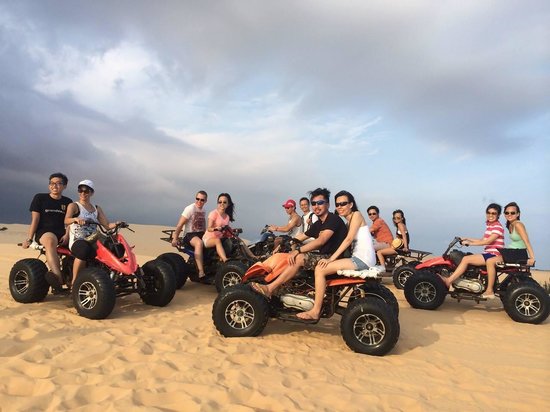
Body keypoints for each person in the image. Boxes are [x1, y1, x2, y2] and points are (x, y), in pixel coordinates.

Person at [250, 188, 347, 298]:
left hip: (333, 258)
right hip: (325, 256)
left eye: (320, 203)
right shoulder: (319, 223)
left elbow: (321, 241)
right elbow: (303, 235)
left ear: (328, 204)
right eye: (314, 203)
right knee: (289, 257)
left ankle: (270, 288)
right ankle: (284, 291)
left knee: (299, 258)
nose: (316, 206)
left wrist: (297, 250)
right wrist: (289, 241)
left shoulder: (333, 219)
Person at [297, 191, 376, 322]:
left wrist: (331, 259)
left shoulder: (356, 215)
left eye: (343, 203)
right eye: (338, 204)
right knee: (324, 266)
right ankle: (327, 297)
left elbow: (349, 239)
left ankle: (315, 311)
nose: (339, 207)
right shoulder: (348, 222)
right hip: (361, 257)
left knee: (320, 269)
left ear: (351, 204)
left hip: (362, 259)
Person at [23, 172, 72, 292]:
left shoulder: (68, 202)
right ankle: (58, 279)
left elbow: (70, 222)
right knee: (51, 241)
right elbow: (35, 219)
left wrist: (67, 234)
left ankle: (74, 278)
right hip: (45, 232)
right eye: (52, 183)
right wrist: (29, 239)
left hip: (63, 233)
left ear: (65, 186)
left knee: (82, 245)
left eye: (59, 183)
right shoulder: (40, 198)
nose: (55, 186)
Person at [441, 203, 505, 295]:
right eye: (489, 213)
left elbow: (487, 242)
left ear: (498, 215)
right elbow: (482, 240)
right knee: (467, 258)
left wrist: (470, 243)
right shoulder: (490, 226)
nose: (490, 215)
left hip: (493, 254)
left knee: (466, 259)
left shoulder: (497, 227)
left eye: (494, 213)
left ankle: (449, 281)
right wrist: (467, 238)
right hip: (488, 253)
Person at [64, 180, 118, 286]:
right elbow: (66, 220)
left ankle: (111, 277)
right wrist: (75, 219)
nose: (83, 193)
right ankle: (75, 281)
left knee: (113, 246)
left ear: (91, 193)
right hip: (78, 239)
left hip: (94, 239)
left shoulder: (96, 208)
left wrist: (117, 224)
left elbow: (106, 225)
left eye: (86, 191)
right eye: (80, 190)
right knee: (84, 249)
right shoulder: (74, 206)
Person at [483, 202, 535, 299]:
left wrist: (532, 257)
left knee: (490, 261)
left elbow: (526, 241)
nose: (509, 215)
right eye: (507, 213)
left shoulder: (518, 225)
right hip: (512, 252)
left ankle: (489, 290)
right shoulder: (511, 224)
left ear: (518, 214)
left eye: (512, 213)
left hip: (517, 253)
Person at [171, 190, 208, 280]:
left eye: (202, 200)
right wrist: (175, 238)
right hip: (189, 234)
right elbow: (180, 224)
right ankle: (201, 271)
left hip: (200, 233)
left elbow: (203, 224)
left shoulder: (203, 210)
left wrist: (207, 234)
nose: (199, 201)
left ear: (205, 201)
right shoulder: (190, 208)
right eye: (197, 199)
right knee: (199, 243)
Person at [202, 193, 235, 264]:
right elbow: (209, 228)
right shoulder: (213, 213)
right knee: (217, 241)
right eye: (220, 202)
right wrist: (216, 229)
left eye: (224, 202)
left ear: (228, 204)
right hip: (208, 239)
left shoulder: (227, 216)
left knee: (237, 241)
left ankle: (252, 256)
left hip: (220, 238)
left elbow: (226, 229)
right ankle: (225, 260)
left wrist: (232, 232)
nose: (222, 204)